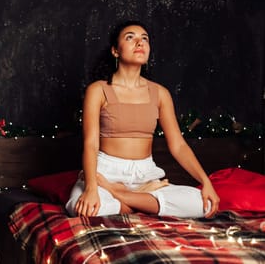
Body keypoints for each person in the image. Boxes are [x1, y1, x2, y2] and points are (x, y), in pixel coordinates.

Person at [65, 21, 219, 219]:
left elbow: (178, 145)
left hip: (146, 176)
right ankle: (138, 203)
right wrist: (92, 188)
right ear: (115, 51)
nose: (140, 42)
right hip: (105, 173)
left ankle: (121, 196)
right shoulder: (98, 90)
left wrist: (206, 182)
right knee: (79, 207)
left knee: (202, 204)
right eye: (130, 37)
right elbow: (91, 143)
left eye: (144, 38)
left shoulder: (160, 93)